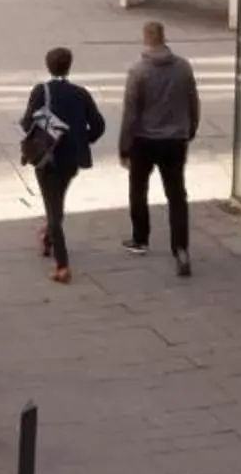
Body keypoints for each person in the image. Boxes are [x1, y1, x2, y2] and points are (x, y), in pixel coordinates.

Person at [121, 19, 202, 276]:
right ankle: (180, 248)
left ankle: (140, 238)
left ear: (145, 39)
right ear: (164, 38)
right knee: (177, 194)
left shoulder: (138, 71)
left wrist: (125, 146)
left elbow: (131, 114)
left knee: (138, 188)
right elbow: (193, 102)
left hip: (145, 140)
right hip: (175, 140)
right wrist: (190, 130)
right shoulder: (183, 68)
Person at [21, 46, 106, 284]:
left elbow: (27, 121)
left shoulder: (41, 91)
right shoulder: (81, 93)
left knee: (54, 210)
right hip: (71, 160)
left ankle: (62, 264)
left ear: (48, 66)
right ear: (69, 66)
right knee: (56, 200)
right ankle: (48, 238)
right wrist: (81, 140)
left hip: (47, 157)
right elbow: (98, 125)